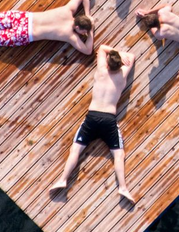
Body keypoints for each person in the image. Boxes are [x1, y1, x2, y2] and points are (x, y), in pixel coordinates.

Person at [51, 45, 137, 204]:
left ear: (108, 63)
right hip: (108, 120)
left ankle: (63, 179)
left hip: (92, 117)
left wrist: (115, 52)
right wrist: (123, 57)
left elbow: (103, 47)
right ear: (120, 66)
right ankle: (123, 187)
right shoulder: (122, 76)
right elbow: (131, 57)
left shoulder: (101, 71)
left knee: (75, 149)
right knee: (118, 154)